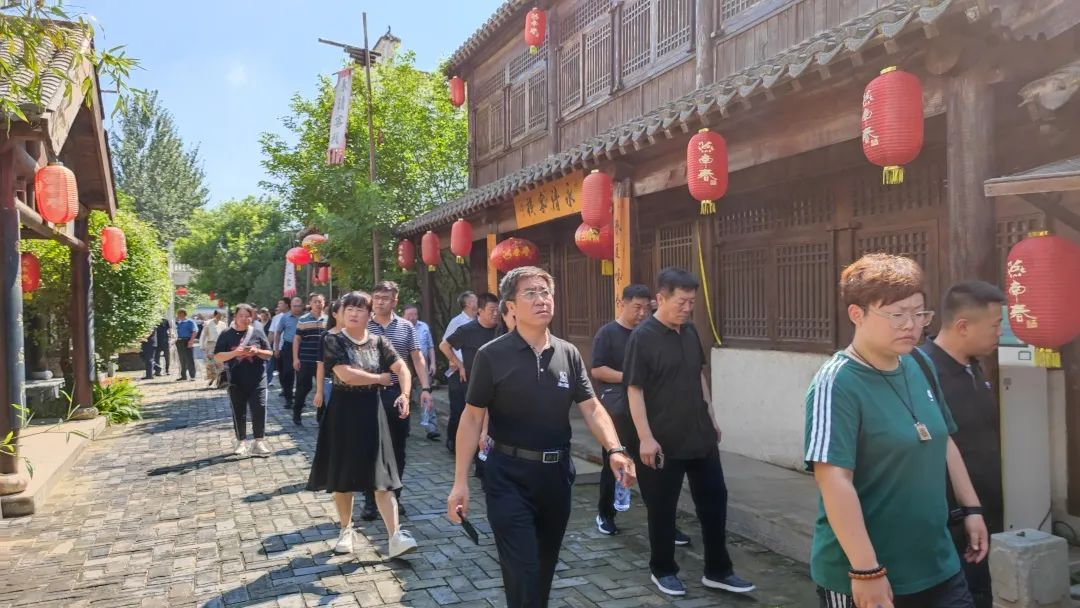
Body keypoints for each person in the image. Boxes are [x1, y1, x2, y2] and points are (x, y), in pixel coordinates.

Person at [447, 266, 636, 608]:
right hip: (507, 476)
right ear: (511, 306)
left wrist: (615, 449)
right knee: (524, 570)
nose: (541, 299)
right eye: (530, 293)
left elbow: (592, 407)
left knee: (544, 568)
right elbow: (472, 417)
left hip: (555, 476)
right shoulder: (492, 355)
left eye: (545, 292)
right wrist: (460, 482)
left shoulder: (568, 353)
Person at [805, 253, 987, 608]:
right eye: (897, 315)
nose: (911, 325)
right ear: (857, 314)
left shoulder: (919, 362)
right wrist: (866, 571)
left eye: (919, 313)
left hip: (937, 562)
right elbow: (833, 480)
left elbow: (943, 437)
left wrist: (972, 508)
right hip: (867, 574)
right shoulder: (836, 383)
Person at [625, 267, 754, 597]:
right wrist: (645, 437)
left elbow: (698, 375)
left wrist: (711, 415)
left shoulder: (690, 332)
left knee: (714, 502)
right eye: (681, 302)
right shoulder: (643, 337)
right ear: (660, 299)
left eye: (692, 302)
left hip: (699, 434)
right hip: (662, 439)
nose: (687, 308)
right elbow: (635, 389)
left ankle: (718, 570)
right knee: (662, 507)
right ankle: (663, 569)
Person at [306, 290, 418, 559]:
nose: (354, 314)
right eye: (349, 309)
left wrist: (405, 394)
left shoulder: (379, 341)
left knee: (383, 478)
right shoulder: (332, 339)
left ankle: (395, 537)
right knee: (343, 477)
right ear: (342, 313)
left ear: (370, 314)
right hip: (343, 413)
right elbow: (345, 374)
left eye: (360, 309)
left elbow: (402, 368)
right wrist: (380, 379)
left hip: (373, 412)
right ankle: (346, 530)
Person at [918, 281, 1006, 608]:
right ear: (963, 326)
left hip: (985, 511)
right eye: (995, 325)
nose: (1000, 333)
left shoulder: (974, 365)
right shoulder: (922, 370)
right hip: (951, 521)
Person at [364, 281, 433, 519]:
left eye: (385, 298)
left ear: (395, 301)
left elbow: (417, 358)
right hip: (368, 393)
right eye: (376, 297)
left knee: (397, 448)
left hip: (397, 394)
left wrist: (425, 388)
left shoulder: (406, 327)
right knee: (371, 447)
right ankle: (371, 500)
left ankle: (394, 496)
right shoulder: (363, 324)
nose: (380, 302)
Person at [592, 284, 652, 535]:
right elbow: (597, 370)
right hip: (618, 410)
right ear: (622, 304)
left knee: (653, 467)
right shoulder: (607, 333)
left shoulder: (649, 334)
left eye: (646, 308)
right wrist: (630, 378)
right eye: (637, 307)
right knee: (616, 462)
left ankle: (662, 522)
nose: (642, 313)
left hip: (649, 408)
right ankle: (606, 514)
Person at [440, 292, 500, 479]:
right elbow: (444, 346)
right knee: (477, 423)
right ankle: (480, 465)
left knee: (494, 423)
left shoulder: (502, 330)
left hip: (499, 384)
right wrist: (459, 365)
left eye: (497, 310)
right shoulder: (467, 330)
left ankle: (492, 464)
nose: (495, 314)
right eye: (491, 310)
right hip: (474, 384)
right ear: (479, 311)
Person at [214, 304, 273, 458]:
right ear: (235, 317)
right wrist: (235, 353)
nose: (244, 319)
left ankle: (258, 442)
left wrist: (257, 351)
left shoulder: (257, 331)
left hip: (258, 379)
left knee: (259, 409)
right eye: (241, 315)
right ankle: (241, 442)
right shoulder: (226, 334)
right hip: (236, 380)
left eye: (248, 316)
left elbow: (269, 353)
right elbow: (217, 356)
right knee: (238, 411)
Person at [443, 291, 478, 453]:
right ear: (468, 304)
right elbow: (445, 345)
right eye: (475, 300)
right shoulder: (457, 322)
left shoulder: (479, 321)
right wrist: (458, 363)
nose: (477, 302)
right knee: (458, 409)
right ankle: (452, 441)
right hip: (458, 371)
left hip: (475, 371)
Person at [404, 303, 440, 441]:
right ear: (403, 315)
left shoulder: (424, 326)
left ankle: (431, 427)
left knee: (425, 396)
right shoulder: (400, 327)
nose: (412, 317)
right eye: (409, 315)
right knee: (405, 397)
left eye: (415, 314)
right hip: (405, 366)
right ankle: (404, 427)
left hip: (422, 366)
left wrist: (433, 363)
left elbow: (430, 346)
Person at [292, 293, 329, 426]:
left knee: (323, 389)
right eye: (315, 301)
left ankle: (321, 418)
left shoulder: (329, 320)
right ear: (310, 303)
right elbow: (297, 339)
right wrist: (295, 358)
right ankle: (297, 414)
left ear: (324, 303)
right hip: (306, 360)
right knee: (303, 388)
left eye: (320, 301)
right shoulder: (303, 320)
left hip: (323, 362)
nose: (318, 304)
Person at [314, 298, 344, 424]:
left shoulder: (356, 334)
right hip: (330, 383)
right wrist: (319, 392)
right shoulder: (326, 336)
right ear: (335, 314)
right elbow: (320, 365)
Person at [277, 297, 304, 408]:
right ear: (290, 306)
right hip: (288, 347)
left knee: (302, 375)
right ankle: (288, 399)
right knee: (288, 373)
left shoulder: (306, 317)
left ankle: (300, 398)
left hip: (303, 348)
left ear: (302, 306)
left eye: (299, 306)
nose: (297, 308)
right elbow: (278, 332)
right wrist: (276, 348)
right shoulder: (285, 317)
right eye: (294, 306)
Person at [200, 310, 228, 388]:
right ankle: (212, 378)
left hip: (220, 345)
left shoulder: (223, 324)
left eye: (221, 316)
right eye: (218, 315)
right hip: (210, 345)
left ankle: (220, 381)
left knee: (220, 363)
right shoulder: (207, 323)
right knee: (210, 363)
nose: (220, 317)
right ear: (214, 315)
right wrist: (202, 345)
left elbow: (225, 335)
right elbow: (203, 335)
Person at [267, 298, 290, 387]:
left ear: (287, 305)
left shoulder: (293, 316)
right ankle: (284, 388)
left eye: (280, 303)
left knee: (289, 370)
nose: (278, 305)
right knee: (281, 370)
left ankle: (288, 388)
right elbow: (271, 333)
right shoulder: (276, 318)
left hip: (290, 347)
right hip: (278, 348)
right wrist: (267, 347)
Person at [175, 309, 198, 381]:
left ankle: (192, 376)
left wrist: (191, 341)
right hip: (179, 341)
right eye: (178, 314)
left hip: (187, 341)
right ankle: (183, 376)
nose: (178, 315)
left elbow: (195, 331)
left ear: (184, 314)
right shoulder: (179, 323)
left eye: (180, 314)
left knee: (189, 359)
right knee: (182, 359)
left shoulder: (190, 322)